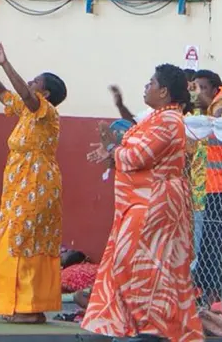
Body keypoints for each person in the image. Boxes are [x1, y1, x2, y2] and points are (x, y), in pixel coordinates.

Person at [82, 63, 201, 342]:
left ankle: (150, 330)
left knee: (140, 263)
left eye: (150, 83)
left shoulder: (170, 120)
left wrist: (113, 148)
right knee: (130, 262)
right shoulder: (156, 118)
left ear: (163, 91)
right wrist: (111, 151)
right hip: (139, 203)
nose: (146, 87)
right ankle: (131, 328)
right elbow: (133, 149)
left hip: (153, 205)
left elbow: (138, 156)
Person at [0, 40, 64, 324]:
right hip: (19, 183)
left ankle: (26, 308)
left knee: (22, 239)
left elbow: (24, 94)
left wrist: (5, 62)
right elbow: (2, 93)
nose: (29, 81)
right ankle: (24, 307)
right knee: (20, 239)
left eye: (35, 81)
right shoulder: (26, 110)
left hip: (36, 183)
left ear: (45, 92)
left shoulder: (45, 110)